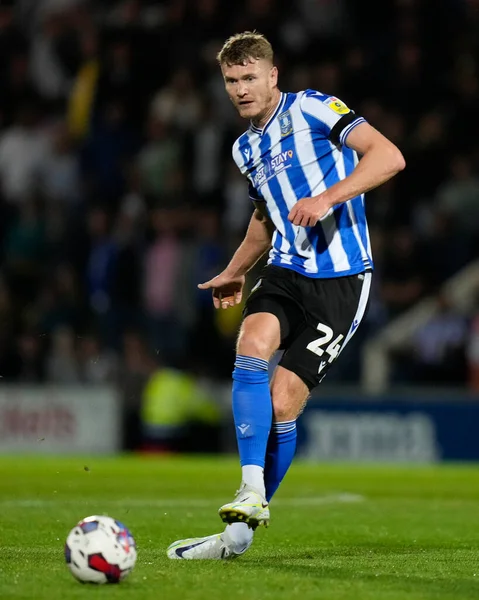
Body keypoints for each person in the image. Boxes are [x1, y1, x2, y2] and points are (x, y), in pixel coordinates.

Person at [167, 31, 405, 560]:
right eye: (232, 81)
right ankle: (250, 491)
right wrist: (234, 270)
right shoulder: (243, 147)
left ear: (273, 76)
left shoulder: (316, 109)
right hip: (285, 270)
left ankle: (236, 537)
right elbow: (264, 216)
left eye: (250, 77)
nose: (241, 89)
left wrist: (326, 197)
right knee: (250, 345)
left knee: (282, 403)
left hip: (342, 280)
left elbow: (388, 157)